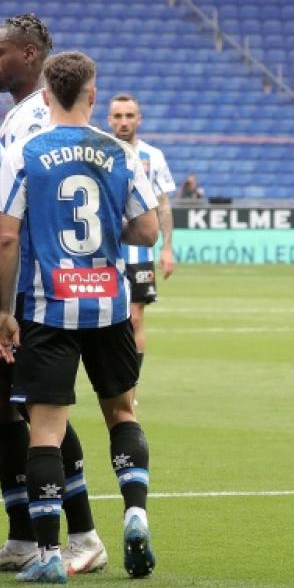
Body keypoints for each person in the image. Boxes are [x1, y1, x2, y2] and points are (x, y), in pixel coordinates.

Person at [0, 51, 160, 583]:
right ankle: (134, 510)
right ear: (92, 95)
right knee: (122, 413)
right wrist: (113, 233)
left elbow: (8, 235)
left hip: (48, 306)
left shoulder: (24, 152)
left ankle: (46, 556)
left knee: (45, 431)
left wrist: (3, 308)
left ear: (45, 96)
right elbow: (148, 231)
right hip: (108, 303)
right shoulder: (121, 153)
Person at [0, 13, 107, 575]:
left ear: (29, 55)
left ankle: (83, 534)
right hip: (10, 286)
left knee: (38, 409)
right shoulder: (18, 117)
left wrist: (9, 301)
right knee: (2, 407)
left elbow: (26, 218)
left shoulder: (36, 122)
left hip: (30, 291)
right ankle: (23, 535)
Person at [107, 93, 176, 377]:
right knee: (105, 322)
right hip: (106, 250)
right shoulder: (100, 151)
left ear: (139, 119)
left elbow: (163, 205)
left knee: (135, 318)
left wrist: (167, 247)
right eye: (118, 116)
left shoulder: (152, 156)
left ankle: (129, 387)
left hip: (139, 253)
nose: (124, 122)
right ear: (109, 119)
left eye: (129, 116)